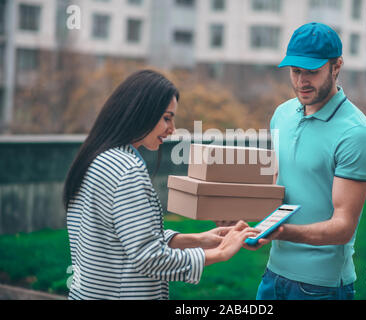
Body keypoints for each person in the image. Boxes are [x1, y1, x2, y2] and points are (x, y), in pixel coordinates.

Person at [63, 70, 259, 300]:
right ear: (141, 112)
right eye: (167, 117)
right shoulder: (126, 169)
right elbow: (148, 257)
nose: (172, 129)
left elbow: (126, 236)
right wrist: (220, 253)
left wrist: (198, 239)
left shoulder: (99, 157)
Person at [256, 22, 366, 300]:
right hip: (273, 275)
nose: (301, 81)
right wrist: (240, 216)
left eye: (311, 71)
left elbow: (343, 226)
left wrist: (282, 233)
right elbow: (278, 184)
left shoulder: (355, 134)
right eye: (295, 71)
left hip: (320, 287)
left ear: (336, 66)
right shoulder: (282, 115)